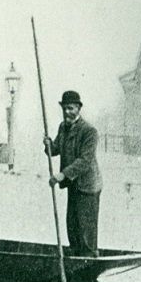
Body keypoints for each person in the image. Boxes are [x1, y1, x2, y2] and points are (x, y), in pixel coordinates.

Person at [43, 90, 103, 257]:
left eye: (70, 108)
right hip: (73, 185)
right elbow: (55, 149)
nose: (66, 112)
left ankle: (89, 258)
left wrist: (63, 174)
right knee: (72, 226)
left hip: (88, 187)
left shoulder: (89, 131)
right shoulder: (63, 127)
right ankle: (76, 259)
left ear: (78, 108)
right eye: (64, 108)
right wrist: (48, 145)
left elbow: (85, 161)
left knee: (86, 230)